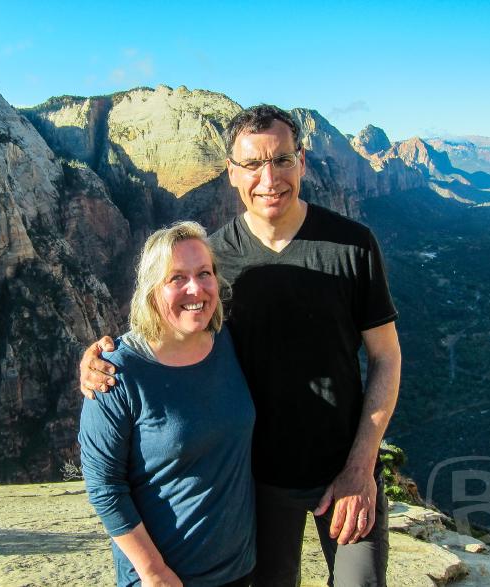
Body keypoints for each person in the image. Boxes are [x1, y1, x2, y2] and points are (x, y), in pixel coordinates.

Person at [80, 105, 401, 587]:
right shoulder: (215, 259)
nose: (268, 179)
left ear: (302, 162)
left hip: (346, 470)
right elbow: (169, 323)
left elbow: (386, 357)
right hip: (258, 484)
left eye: (282, 160)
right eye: (252, 164)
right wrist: (101, 359)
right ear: (232, 173)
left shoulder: (353, 244)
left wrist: (361, 467)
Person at [78, 221, 256, 587]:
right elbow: (103, 485)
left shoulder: (230, 342)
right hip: (166, 579)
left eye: (204, 274)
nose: (195, 288)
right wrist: (153, 572)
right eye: (177, 278)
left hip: (239, 571)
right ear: (152, 290)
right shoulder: (115, 373)